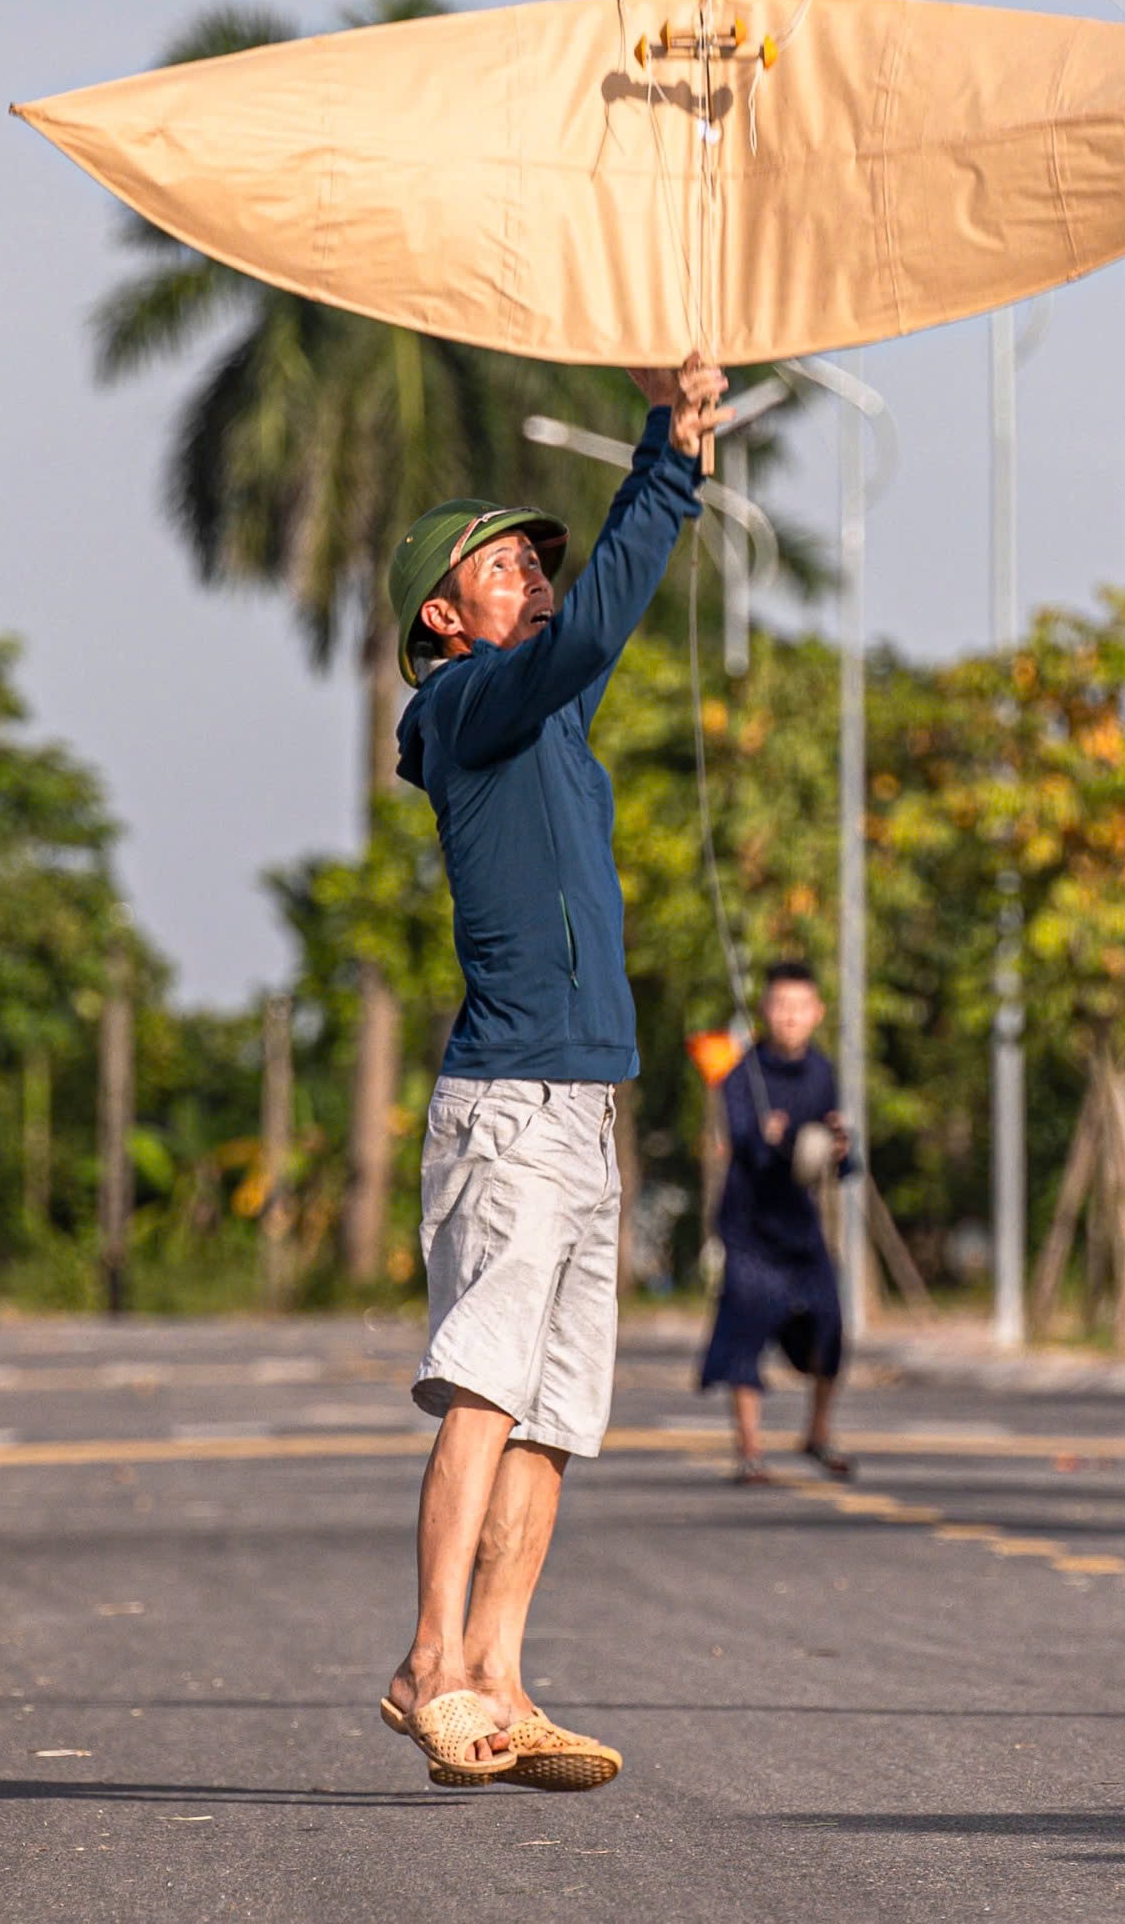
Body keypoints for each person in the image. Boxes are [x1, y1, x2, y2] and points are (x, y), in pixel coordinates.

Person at [378, 352, 729, 1792]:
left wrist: (688, 434)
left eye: (535, 560)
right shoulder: (465, 712)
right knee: (483, 1387)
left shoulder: (553, 729)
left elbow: (580, 647)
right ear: (444, 615)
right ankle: (427, 1662)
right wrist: (667, 459)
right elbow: (586, 635)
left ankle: (503, 1681)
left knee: (558, 1416)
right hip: (510, 1106)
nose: (530, 571)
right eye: (505, 564)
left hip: (585, 1113)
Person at [699, 961, 854, 1485]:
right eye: (779, 1006)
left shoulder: (822, 1072)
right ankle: (750, 1451)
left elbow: (835, 1155)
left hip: (798, 1222)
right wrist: (766, 1137)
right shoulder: (743, 1074)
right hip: (748, 1222)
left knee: (830, 1323)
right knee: (746, 1328)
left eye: (799, 1007)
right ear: (765, 1011)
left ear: (817, 1013)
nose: (789, 1017)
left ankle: (817, 1433)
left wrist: (838, 1149)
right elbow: (741, 1140)